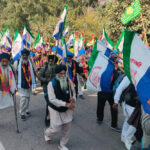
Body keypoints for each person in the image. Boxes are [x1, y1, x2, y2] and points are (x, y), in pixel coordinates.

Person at [44, 64, 76, 150]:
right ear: (56, 74)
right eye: (60, 74)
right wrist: (65, 104)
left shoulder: (68, 81)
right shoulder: (51, 84)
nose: (62, 75)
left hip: (67, 108)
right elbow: (52, 99)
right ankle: (47, 134)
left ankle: (62, 145)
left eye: (64, 73)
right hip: (55, 108)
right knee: (55, 128)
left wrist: (73, 99)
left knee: (67, 127)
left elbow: (73, 92)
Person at [96, 52, 121, 132]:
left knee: (102, 106)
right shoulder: (114, 71)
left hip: (103, 91)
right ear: (113, 61)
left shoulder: (104, 67)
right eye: (116, 61)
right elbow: (116, 83)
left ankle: (102, 120)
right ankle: (111, 123)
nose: (116, 63)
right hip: (107, 92)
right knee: (108, 107)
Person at [113, 75, 137, 150]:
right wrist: (116, 101)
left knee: (128, 119)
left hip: (136, 104)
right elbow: (120, 88)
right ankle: (127, 138)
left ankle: (123, 136)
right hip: (128, 103)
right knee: (135, 122)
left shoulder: (141, 75)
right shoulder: (129, 77)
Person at [15, 48, 36, 121]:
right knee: (23, 98)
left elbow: (34, 69)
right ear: (21, 55)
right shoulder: (17, 62)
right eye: (23, 55)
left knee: (28, 98)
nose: (24, 56)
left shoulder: (30, 61)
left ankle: (26, 110)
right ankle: (22, 113)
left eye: (26, 55)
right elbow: (14, 73)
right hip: (21, 83)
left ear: (28, 55)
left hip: (29, 83)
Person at [38, 55, 58, 127]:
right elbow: (39, 76)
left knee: (55, 102)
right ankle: (47, 119)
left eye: (52, 61)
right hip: (47, 87)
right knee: (49, 103)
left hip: (55, 88)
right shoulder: (45, 67)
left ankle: (55, 117)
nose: (50, 62)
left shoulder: (57, 67)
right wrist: (46, 80)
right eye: (49, 60)